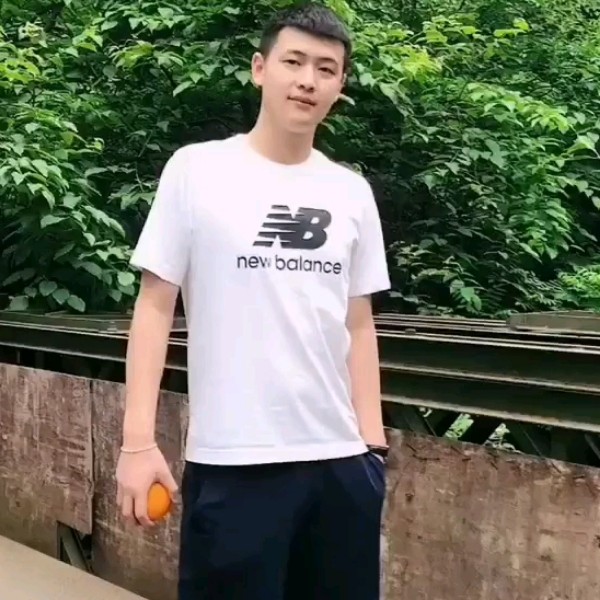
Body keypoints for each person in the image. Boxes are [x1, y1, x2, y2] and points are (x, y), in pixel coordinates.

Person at [115, 3, 391, 599]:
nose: (308, 80)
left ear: (340, 85)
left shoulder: (350, 192)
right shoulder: (197, 170)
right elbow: (155, 306)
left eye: (325, 68)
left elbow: (358, 322)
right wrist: (137, 442)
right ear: (260, 69)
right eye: (294, 61)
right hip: (234, 461)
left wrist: (373, 449)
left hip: (341, 465)